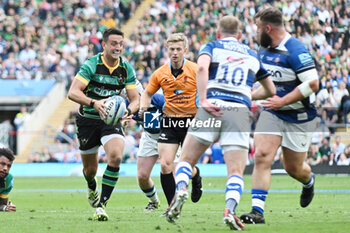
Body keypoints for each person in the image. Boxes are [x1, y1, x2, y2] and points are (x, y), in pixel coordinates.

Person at [165, 15, 275, 231]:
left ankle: (180, 189)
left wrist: (204, 98)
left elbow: (202, 68)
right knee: (235, 170)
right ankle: (230, 210)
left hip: (212, 106)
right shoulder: (252, 55)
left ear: (218, 33)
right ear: (240, 35)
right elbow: (271, 90)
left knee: (186, 159)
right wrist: (246, 95)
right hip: (239, 112)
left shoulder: (212, 46)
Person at [240, 7, 319, 224]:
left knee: (293, 169)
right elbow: (265, 84)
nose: (255, 33)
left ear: (268, 28)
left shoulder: (295, 50)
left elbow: (313, 83)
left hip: (300, 116)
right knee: (262, 155)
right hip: (273, 111)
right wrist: (249, 96)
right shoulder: (263, 49)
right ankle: (257, 212)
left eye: (257, 28)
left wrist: (283, 100)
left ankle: (308, 181)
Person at [67, 28, 139, 221]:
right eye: (114, 44)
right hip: (88, 120)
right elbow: (73, 92)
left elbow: (135, 99)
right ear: (104, 45)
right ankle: (92, 187)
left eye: (121, 44)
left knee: (115, 157)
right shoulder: (91, 64)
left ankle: (102, 205)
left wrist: (128, 111)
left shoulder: (126, 68)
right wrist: (94, 103)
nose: (118, 47)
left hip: (111, 121)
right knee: (90, 171)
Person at [138, 33, 203, 210]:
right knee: (166, 165)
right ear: (167, 50)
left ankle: (196, 176)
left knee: (186, 165)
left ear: (185, 50)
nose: (175, 53)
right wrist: (143, 108)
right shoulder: (160, 73)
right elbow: (147, 93)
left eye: (178, 49)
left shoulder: (196, 70)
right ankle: (172, 207)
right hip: (169, 122)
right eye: (172, 49)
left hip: (191, 123)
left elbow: (207, 91)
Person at [0, 147, 16, 212]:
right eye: (2, 164)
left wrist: (6, 207)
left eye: (9, 166)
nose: (5, 168)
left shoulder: (8, 179)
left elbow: (1, 204)